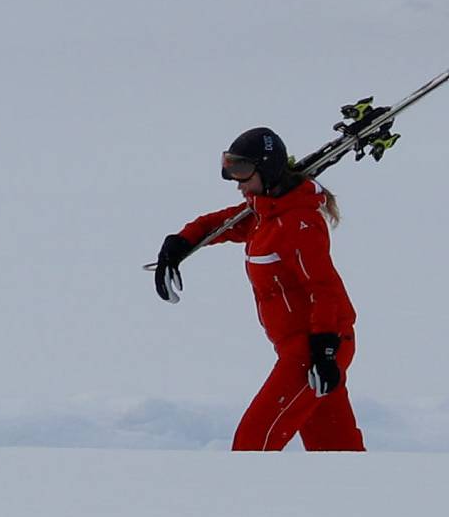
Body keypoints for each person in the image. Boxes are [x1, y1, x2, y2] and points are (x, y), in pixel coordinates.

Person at [156, 125, 366, 453]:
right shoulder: (265, 213)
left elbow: (322, 288)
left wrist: (324, 352)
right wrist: (178, 244)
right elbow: (221, 223)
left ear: (266, 170)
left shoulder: (299, 223)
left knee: (253, 445)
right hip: (302, 347)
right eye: (232, 173)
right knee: (335, 452)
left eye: (243, 173)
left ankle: (244, 503)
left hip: (316, 347)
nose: (238, 185)